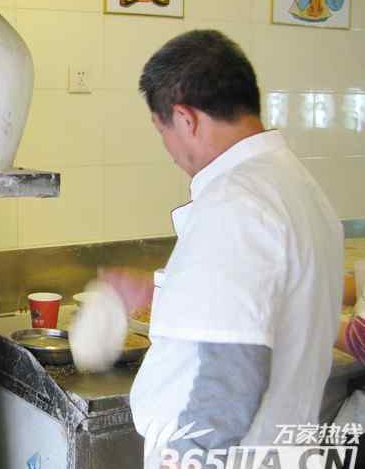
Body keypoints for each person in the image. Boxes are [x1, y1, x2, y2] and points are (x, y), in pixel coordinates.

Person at [106, 30, 344, 468]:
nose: (171, 150)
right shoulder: (299, 188)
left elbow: (231, 380)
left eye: (164, 132)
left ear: (185, 119)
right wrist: (169, 297)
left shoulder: (237, 203)